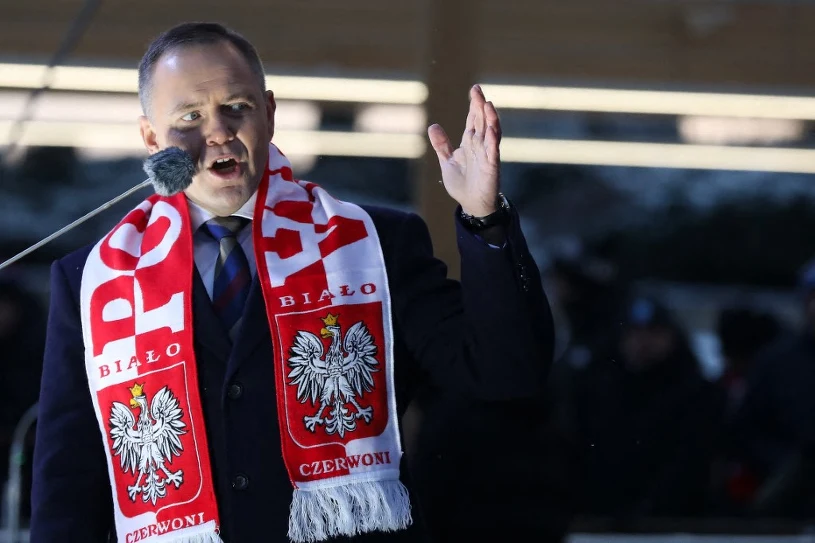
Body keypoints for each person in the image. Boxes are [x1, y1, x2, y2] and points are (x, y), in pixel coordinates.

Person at [30, 22, 554, 543]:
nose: (217, 132)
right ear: (151, 138)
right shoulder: (92, 281)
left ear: (270, 114)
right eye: (190, 116)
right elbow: (68, 481)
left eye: (238, 107)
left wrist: (485, 218)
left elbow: (505, 374)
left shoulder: (375, 244)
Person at [571, 296, 719, 522]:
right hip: (598, 516)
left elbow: (690, 462)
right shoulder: (597, 388)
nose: (642, 341)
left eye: (653, 332)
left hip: (669, 522)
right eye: (635, 333)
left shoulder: (694, 393)